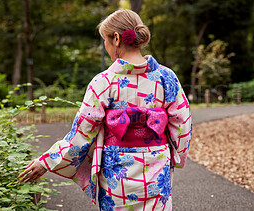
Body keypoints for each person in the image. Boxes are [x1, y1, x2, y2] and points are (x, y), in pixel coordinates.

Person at [19, 9, 192, 211]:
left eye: (105, 41)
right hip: (157, 165)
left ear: (116, 38)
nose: (106, 46)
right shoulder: (166, 77)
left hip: (117, 173)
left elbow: (81, 135)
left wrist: (46, 161)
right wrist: (176, 156)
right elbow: (182, 125)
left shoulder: (103, 82)